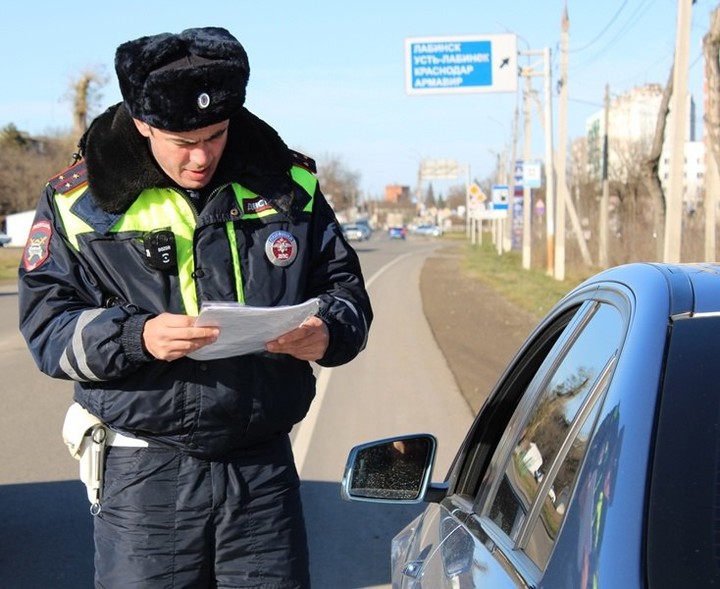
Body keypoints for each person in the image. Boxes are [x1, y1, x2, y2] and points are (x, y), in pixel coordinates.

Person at [18, 26, 372, 589]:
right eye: (183, 142)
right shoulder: (77, 202)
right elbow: (47, 328)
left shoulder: (291, 184)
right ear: (142, 125)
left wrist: (328, 331)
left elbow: (346, 292)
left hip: (261, 470)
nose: (202, 156)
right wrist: (137, 338)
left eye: (216, 135)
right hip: (143, 478)